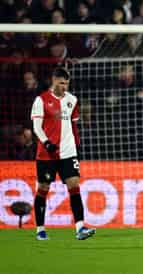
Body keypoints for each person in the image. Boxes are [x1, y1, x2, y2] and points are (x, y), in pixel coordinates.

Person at [31, 67, 96, 240]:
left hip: (68, 152)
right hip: (47, 154)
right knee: (43, 189)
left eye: (67, 83)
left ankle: (80, 228)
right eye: (61, 83)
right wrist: (47, 143)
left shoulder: (72, 100)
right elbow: (37, 127)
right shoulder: (41, 100)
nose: (64, 87)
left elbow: (74, 126)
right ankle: (40, 229)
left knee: (74, 187)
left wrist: (77, 146)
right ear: (54, 80)